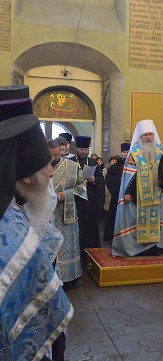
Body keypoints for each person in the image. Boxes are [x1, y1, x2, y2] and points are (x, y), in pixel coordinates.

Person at [0, 85, 73, 361]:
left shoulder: (17, 207)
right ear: (28, 177)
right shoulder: (14, 231)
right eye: (48, 166)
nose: (52, 173)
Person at [112, 119, 163, 257]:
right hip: (138, 195)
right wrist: (127, 192)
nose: (148, 137)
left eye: (150, 134)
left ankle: (155, 247)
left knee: (155, 220)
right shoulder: (134, 152)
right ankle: (139, 248)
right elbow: (129, 175)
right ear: (140, 136)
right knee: (138, 221)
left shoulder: (160, 150)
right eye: (146, 134)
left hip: (156, 193)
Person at [49, 139, 86, 290]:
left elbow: (82, 187)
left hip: (65, 213)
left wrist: (67, 194)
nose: (53, 158)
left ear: (61, 151)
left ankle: (68, 278)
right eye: (50, 155)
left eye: (56, 155)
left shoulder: (72, 166)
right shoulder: (38, 166)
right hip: (46, 215)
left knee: (66, 246)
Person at [73, 135, 102, 258]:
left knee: (90, 225)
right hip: (77, 198)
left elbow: (101, 179)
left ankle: (92, 253)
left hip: (90, 198)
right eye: (81, 149)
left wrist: (94, 179)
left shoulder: (93, 162)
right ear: (77, 149)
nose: (84, 152)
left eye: (86, 150)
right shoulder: (71, 161)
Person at [103, 143, 129, 244]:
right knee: (114, 216)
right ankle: (112, 237)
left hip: (130, 196)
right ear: (121, 153)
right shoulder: (115, 166)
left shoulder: (134, 165)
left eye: (127, 152)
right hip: (117, 195)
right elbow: (108, 179)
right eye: (124, 152)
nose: (126, 154)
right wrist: (120, 179)